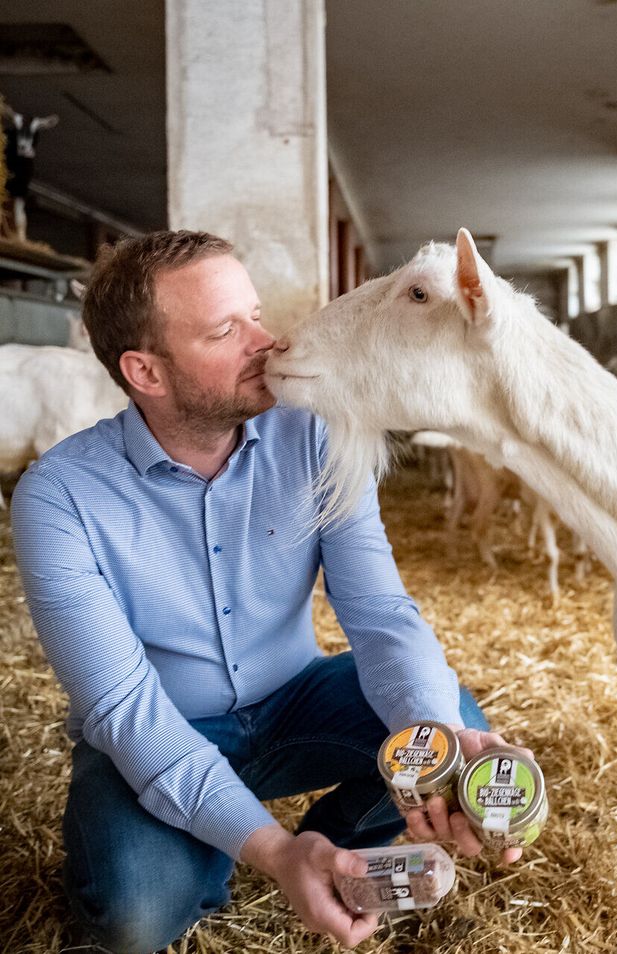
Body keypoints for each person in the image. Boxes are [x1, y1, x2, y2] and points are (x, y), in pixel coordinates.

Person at [11, 230, 525, 953]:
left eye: (255, 313)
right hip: (165, 723)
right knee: (135, 918)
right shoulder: (58, 496)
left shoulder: (313, 432)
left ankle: (325, 846)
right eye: (228, 330)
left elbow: (380, 616)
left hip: (295, 702)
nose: (270, 340)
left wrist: (442, 744)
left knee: (444, 718)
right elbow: (125, 711)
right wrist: (270, 852)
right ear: (145, 372)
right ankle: (244, 846)